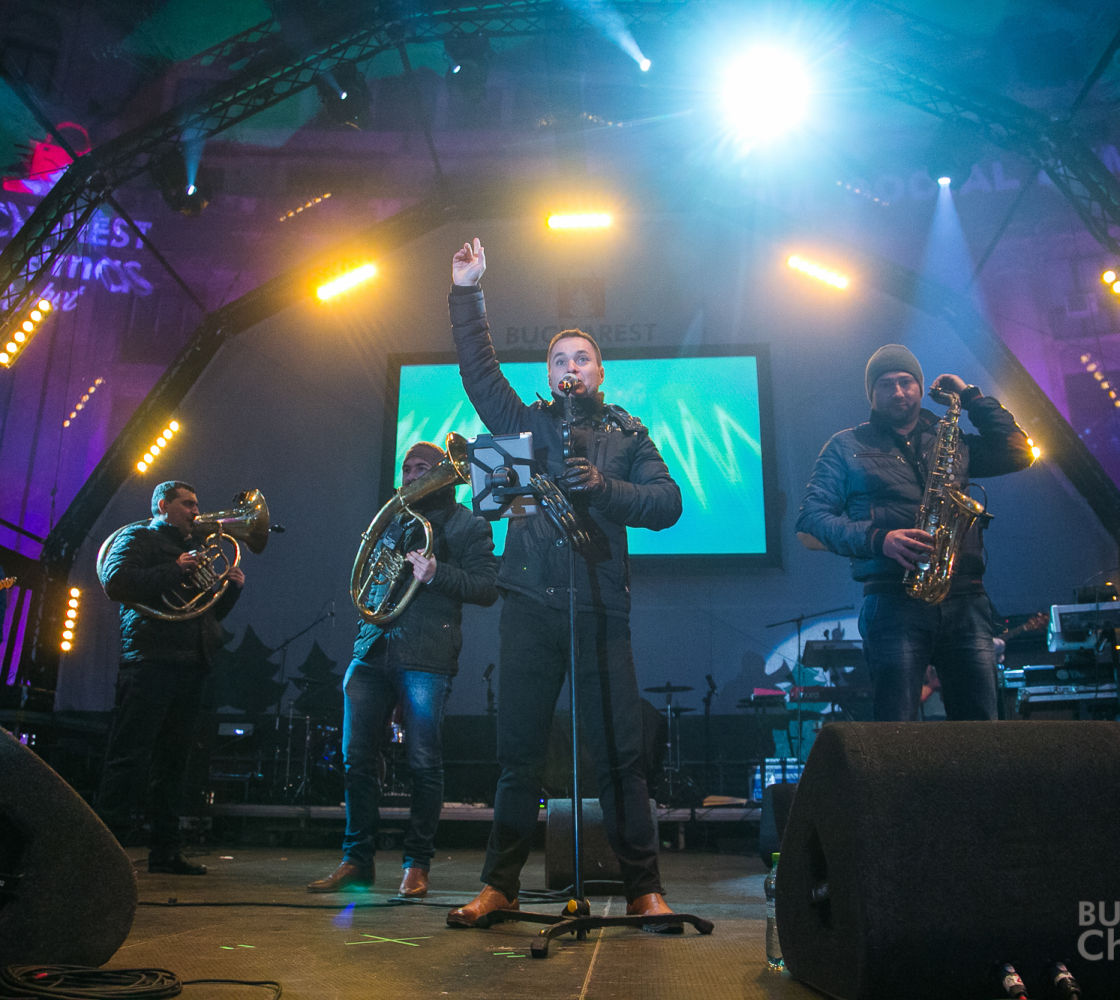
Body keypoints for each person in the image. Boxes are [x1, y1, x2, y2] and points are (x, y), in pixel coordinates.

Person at [444, 237, 684, 929]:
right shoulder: (524, 425)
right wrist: (467, 293)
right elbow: (479, 372)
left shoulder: (630, 436)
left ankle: (643, 888)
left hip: (601, 610)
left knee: (620, 757)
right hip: (528, 607)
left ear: (600, 371)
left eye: (581, 358)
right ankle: (501, 887)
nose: (570, 366)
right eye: (559, 359)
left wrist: (606, 488)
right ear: (548, 375)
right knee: (518, 756)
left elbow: (667, 504)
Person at [795, 344, 1033, 722]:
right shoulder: (846, 446)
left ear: (921, 387)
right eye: (886, 384)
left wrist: (972, 397)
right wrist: (880, 540)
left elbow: (1019, 452)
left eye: (906, 382)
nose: (898, 391)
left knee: (982, 729)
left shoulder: (951, 438)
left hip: (965, 598)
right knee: (897, 729)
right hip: (893, 599)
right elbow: (811, 520)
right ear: (871, 393)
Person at [307, 441, 499, 897]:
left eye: (421, 468)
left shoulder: (468, 524)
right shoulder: (394, 518)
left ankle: (417, 865)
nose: (410, 475)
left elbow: (488, 587)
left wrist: (436, 573)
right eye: (407, 468)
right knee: (356, 760)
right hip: (372, 650)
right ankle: (357, 859)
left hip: (426, 656)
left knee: (423, 763)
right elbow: (372, 580)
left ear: (442, 472)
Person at [97, 480, 246, 874]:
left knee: (175, 764)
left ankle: (165, 852)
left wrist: (230, 591)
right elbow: (116, 582)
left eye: (196, 504)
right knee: (130, 757)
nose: (196, 511)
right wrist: (174, 568)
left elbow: (204, 614)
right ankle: (103, 853)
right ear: (163, 505)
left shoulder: (192, 548)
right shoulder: (138, 537)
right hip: (149, 660)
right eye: (188, 504)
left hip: (191, 664)